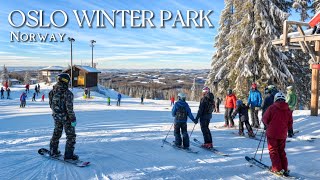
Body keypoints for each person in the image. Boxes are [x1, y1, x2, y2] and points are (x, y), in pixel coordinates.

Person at [262, 92, 293, 176]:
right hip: (282, 134)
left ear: (275, 99)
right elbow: (290, 123)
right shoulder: (288, 110)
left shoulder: (272, 108)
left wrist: (267, 125)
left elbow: (264, 119)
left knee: (273, 151)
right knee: (281, 151)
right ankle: (284, 168)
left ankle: (277, 168)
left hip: (272, 134)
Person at [49, 73, 78, 160]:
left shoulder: (52, 91)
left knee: (57, 133)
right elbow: (69, 109)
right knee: (71, 136)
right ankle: (68, 155)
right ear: (66, 81)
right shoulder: (68, 93)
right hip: (66, 118)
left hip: (56, 116)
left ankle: (53, 150)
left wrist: (57, 113)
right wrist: (73, 119)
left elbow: (51, 105)